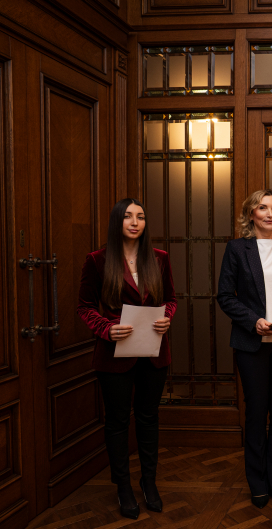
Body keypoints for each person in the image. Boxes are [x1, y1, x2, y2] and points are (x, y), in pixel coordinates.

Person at [77, 198, 176, 520]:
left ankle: (149, 482)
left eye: (141, 217)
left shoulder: (159, 258)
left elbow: (171, 299)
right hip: (114, 355)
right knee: (118, 422)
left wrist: (167, 318)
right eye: (128, 216)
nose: (135, 222)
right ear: (117, 221)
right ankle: (123, 486)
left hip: (154, 352)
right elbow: (84, 307)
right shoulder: (97, 260)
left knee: (148, 418)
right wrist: (106, 329)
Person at [217, 189, 272, 510]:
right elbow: (225, 296)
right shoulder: (237, 249)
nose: (270, 214)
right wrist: (253, 320)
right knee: (256, 413)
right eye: (263, 208)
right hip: (251, 344)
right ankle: (257, 482)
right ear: (251, 213)